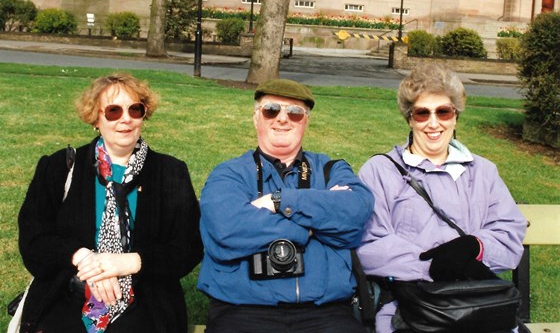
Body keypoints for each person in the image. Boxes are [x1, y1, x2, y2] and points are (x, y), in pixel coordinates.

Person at [18, 72, 203, 333]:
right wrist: (82, 258)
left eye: (134, 110)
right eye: (113, 111)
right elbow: (33, 240)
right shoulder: (60, 166)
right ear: (95, 117)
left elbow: (189, 246)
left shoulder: (170, 172)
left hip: (144, 306)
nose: (125, 119)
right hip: (67, 300)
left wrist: (130, 262)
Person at [356, 63, 527, 333]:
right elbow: (371, 242)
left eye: (443, 112)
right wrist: (436, 266)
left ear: (455, 117)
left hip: (479, 303)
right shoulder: (380, 170)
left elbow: (509, 232)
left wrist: (475, 247)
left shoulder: (483, 171)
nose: (433, 123)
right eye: (422, 113)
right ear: (410, 119)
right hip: (413, 308)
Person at [197, 79, 374, 333]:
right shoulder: (230, 173)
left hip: (325, 312)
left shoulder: (331, 169)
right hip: (244, 310)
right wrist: (312, 227)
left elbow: (355, 212)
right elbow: (227, 230)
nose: (282, 119)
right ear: (256, 117)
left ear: (306, 121)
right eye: (271, 110)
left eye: (294, 113)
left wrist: (278, 201)